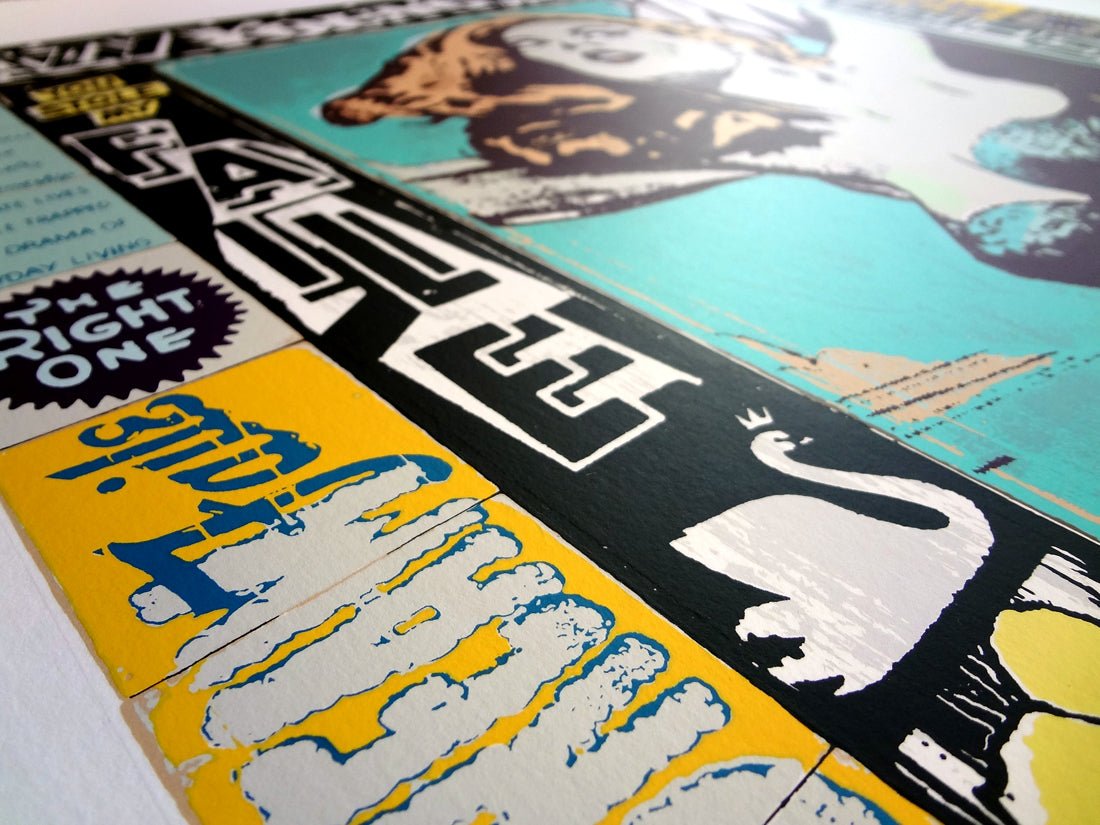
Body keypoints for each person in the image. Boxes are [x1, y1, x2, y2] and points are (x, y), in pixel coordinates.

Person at [322, 9, 1099, 284]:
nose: (602, 45)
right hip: (997, 200)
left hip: (1043, 113)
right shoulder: (703, 129)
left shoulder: (824, 34)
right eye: (571, 56)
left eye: (578, 31)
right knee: (1014, 188)